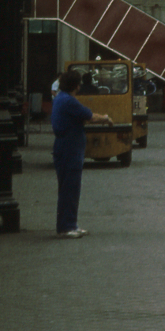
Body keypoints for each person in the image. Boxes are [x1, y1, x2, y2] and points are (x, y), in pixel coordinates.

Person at [51, 70, 113, 238]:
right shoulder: (69, 101)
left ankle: (70, 223)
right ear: (76, 86)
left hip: (65, 147)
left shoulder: (60, 98)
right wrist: (106, 118)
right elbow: (91, 117)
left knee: (68, 188)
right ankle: (67, 226)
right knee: (70, 188)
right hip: (70, 149)